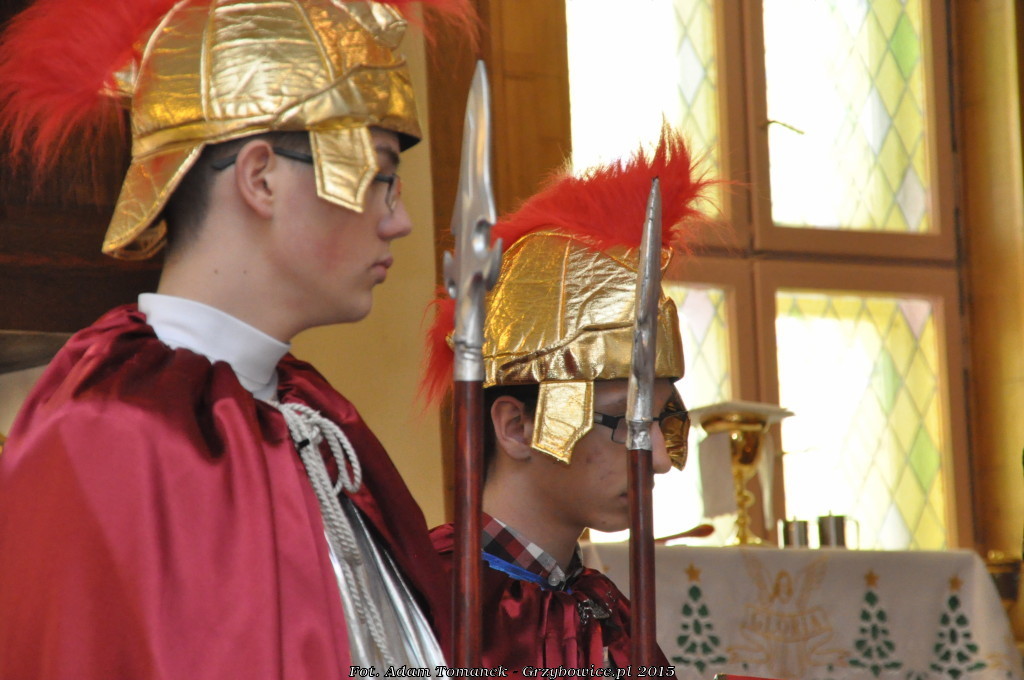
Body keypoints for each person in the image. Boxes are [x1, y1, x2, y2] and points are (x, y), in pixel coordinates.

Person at [0, 0, 471, 677]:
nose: (399, 221)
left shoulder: (314, 416)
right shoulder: (105, 432)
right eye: (379, 177)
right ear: (261, 178)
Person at [422, 128, 708, 671]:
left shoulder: (604, 611)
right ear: (516, 427)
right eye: (624, 420)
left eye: (664, 420)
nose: (660, 459)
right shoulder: (425, 596)